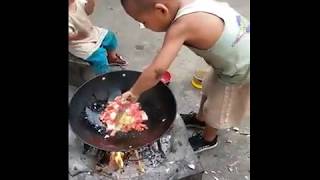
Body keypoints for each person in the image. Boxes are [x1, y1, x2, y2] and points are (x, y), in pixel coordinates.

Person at [120, 0, 250, 153]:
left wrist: (134, 92)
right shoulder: (190, 4)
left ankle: (209, 139)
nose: (145, 27)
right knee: (208, 87)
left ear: (161, 10)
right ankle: (200, 119)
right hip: (229, 61)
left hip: (240, 70)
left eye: (143, 22)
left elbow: (158, 70)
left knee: (218, 107)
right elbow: (164, 55)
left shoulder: (181, 26)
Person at [69, 0, 127, 75]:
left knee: (110, 36)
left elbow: (88, 11)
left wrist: (91, 3)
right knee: (99, 56)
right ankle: (103, 76)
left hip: (91, 31)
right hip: (77, 43)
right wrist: (79, 36)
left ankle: (111, 57)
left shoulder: (77, 2)